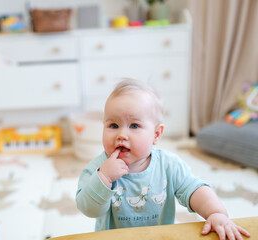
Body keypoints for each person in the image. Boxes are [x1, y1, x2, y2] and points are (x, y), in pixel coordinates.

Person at [75, 79, 250, 240]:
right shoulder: (97, 169)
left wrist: (215, 213)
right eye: (113, 125)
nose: (121, 135)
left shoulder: (168, 165)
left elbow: (194, 189)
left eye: (134, 125)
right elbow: (89, 210)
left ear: (156, 134)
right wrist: (104, 178)